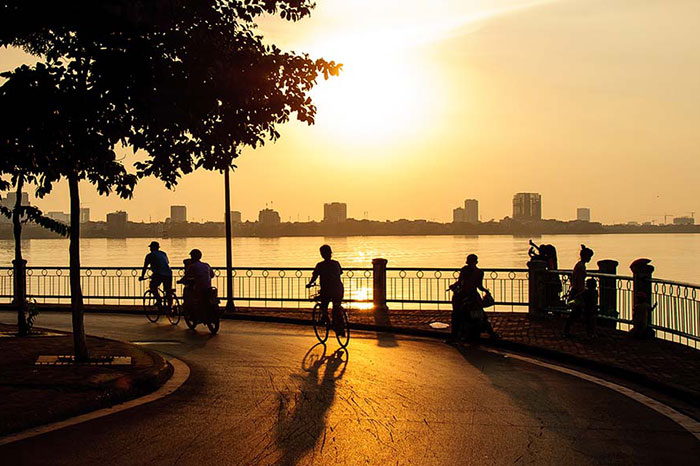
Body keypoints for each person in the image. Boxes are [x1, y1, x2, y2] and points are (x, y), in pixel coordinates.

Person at [451, 254, 499, 341]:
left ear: (467, 261)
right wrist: (486, 291)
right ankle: (491, 333)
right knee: (481, 314)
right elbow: (479, 286)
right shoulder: (480, 272)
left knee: (456, 314)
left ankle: (454, 335)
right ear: (476, 261)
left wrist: (452, 286)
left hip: (464, 294)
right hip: (474, 295)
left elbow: (459, 282)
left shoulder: (465, 270)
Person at [306, 245, 345, 336]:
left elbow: (314, 277)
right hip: (338, 288)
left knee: (324, 305)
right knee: (336, 306)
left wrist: (309, 284)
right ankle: (340, 326)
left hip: (327, 290)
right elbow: (340, 273)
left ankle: (325, 318)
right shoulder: (336, 263)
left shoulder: (320, 265)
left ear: (322, 254)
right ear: (331, 253)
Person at [564, 244, 594, 337]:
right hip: (578, 293)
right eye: (589, 257)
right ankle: (588, 332)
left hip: (577, 291)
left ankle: (569, 329)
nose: (590, 259)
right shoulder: (581, 267)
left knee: (578, 312)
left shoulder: (579, 265)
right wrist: (581, 293)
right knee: (581, 312)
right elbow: (579, 281)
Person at [139, 241, 173, 311]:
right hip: (168, 273)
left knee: (153, 286)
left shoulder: (149, 255)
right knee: (168, 290)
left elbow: (145, 267)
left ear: (152, 248)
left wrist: (142, 276)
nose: (150, 249)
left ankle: (159, 300)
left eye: (151, 247)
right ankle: (170, 307)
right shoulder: (163, 253)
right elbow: (167, 262)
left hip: (159, 274)